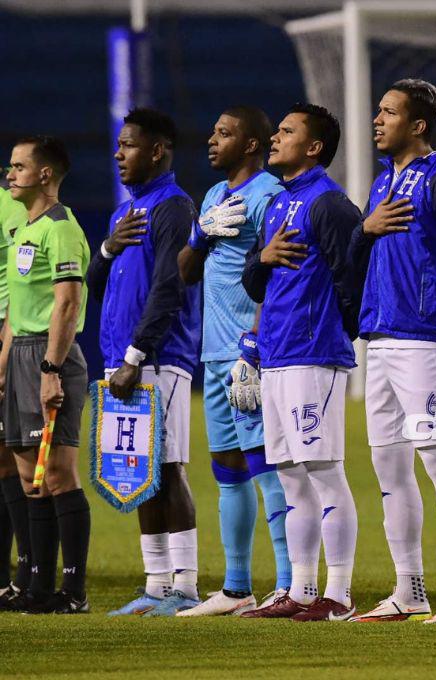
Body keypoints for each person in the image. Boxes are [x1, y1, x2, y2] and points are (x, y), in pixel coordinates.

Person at [346, 79, 436, 623]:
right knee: (389, 470)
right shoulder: (382, 183)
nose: (377, 119)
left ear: (417, 125)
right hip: (380, 340)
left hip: (427, 340)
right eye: (377, 110)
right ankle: (410, 589)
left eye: (389, 112)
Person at [240, 103, 362, 622]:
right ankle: (302, 589)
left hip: (314, 356)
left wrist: (336, 333)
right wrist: (261, 259)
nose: (275, 137)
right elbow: (255, 282)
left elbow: (352, 277)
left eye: (286, 131)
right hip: (278, 355)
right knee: (290, 475)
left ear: (313, 147)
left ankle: (339, 593)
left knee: (325, 472)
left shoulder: (329, 204)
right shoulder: (275, 205)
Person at [174, 106, 291, 616]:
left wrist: (256, 342)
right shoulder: (214, 197)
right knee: (227, 466)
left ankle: (291, 584)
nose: (211, 139)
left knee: (268, 468)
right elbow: (185, 271)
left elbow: (278, 272)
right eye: (212, 130)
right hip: (214, 354)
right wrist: (200, 234)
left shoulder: (269, 197)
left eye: (223, 133)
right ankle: (237, 587)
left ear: (250, 144)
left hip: (250, 353)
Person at [87, 108, 202, 617]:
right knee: (138, 470)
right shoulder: (123, 215)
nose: (118, 154)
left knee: (170, 465)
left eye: (129, 145)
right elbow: (96, 289)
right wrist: (107, 249)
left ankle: (186, 584)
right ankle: (156, 584)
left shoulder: (174, 207)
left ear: (157, 150)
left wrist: (137, 353)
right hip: (122, 359)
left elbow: (170, 285)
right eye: (117, 146)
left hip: (157, 357)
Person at [1, 136, 91, 614]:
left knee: (57, 474)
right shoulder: (25, 229)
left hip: (51, 357)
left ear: (45, 175)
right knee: (25, 473)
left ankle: (73, 591)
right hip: (20, 356)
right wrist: (5, 363)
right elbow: (17, 306)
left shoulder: (61, 228)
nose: (10, 174)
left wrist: (51, 369)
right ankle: (37, 585)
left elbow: (67, 302)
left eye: (19, 167)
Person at [0, 180, 31, 609]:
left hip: (6, 336)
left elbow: (16, 281)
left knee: (8, 458)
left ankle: (25, 571)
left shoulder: (10, 203)